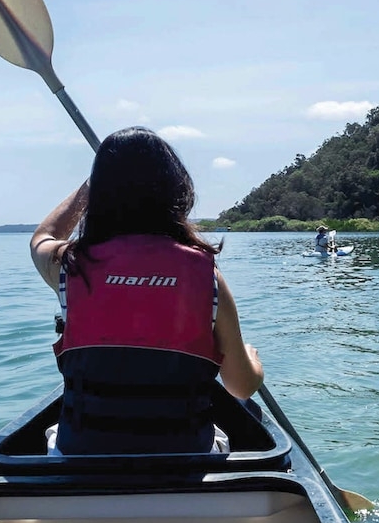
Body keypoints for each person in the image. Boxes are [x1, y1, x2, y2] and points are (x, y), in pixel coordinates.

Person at [30, 126, 264, 455]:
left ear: (98, 196)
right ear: (177, 192)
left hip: (82, 457)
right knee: (243, 419)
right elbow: (240, 387)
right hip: (185, 458)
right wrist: (253, 363)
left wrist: (90, 186)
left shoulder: (70, 265)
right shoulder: (205, 274)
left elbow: (42, 237)